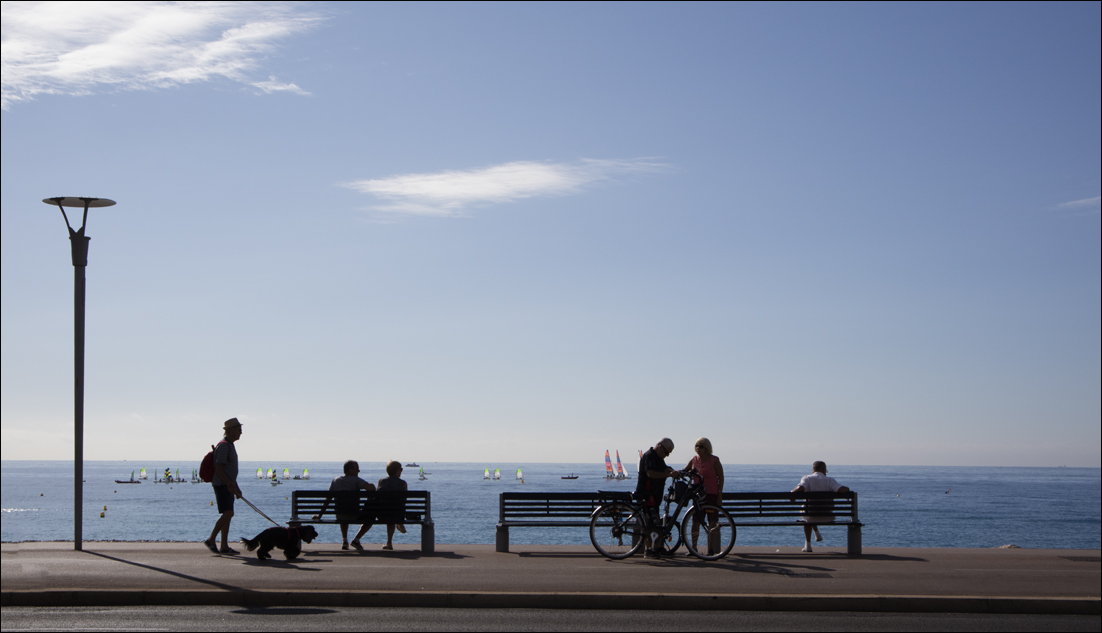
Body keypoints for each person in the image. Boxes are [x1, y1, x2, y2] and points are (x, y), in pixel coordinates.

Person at [312, 460, 376, 550]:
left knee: (343, 510)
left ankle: (345, 540)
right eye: (357, 469)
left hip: (340, 515)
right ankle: (356, 540)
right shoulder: (355, 480)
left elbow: (328, 499)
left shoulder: (335, 481)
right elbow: (372, 488)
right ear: (350, 470)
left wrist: (319, 515)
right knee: (372, 516)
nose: (359, 471)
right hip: (354, 515)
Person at [791, 461, 849, 553]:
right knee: (811, 510)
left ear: (813, 470)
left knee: (807, 512)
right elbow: (841, 490)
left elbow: (800, 489)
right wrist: (847, 490)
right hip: (827, 516)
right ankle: (816, 533)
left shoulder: (807, 478)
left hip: (810, 515)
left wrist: (792, 494)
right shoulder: (830, 480)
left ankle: (808, 545)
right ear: (824, 470)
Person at [204, 417, 243, 555]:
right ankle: (211, 539)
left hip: (227, 485)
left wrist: (236, 487)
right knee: (228, 513)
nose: (241, 432)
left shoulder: (230, 445)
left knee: (228, 514)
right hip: (221, 485)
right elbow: (219, 469)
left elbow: (229, 470)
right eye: (239, 430)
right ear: (231, 430)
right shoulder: (224, 446)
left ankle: (224, 546)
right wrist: (229, 484)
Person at [636, 438, 678, 558]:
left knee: (656, 522)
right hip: (646, 494)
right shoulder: (649, 456)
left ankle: (658, 547)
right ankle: (648, 549)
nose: (667, 455)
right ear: (660, 447)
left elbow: (664, 468)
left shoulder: (659, 457)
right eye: (667, 452)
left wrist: (673, 471)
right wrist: (669, 474)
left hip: (655, 495)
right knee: (649, 523)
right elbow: (651, 473)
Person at [685, 437, 724, 554]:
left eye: (701, 446)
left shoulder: (714, 460)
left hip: (711, 494)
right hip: (698, 495)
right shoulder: (694, 460)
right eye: (696, 446)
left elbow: (721, 477)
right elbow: (685, 470)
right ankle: (694, 548)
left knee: (712, 522)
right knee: (695, 521)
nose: (698, 448)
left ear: (707, 448)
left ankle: (711, 549)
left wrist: (719, 494)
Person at [377, 460, 408, 550]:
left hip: (382, 515)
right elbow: (404, 501)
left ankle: (389, 543)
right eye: (401, 469)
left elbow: (377, 499)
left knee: (388, 511)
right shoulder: (403, 483)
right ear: (397, 470)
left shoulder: (381, 481)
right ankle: (399, 523)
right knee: (394, 511)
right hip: (398, 514)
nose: (401, 471)